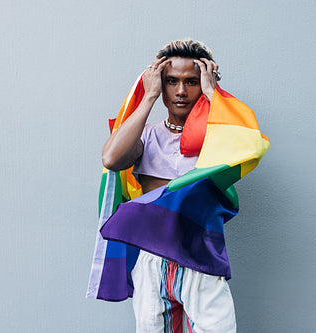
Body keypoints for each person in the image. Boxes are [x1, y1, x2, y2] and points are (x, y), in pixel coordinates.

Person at [102, 39, 237, 333]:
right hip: (152, 259)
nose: (180, 91)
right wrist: (148, 96)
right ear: (160, 85)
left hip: (202, 257)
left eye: (191, 82)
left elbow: (245, 148)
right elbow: (112, 158)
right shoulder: (146, 137)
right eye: (171, 81)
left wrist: (213, 92)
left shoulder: (219, 139)